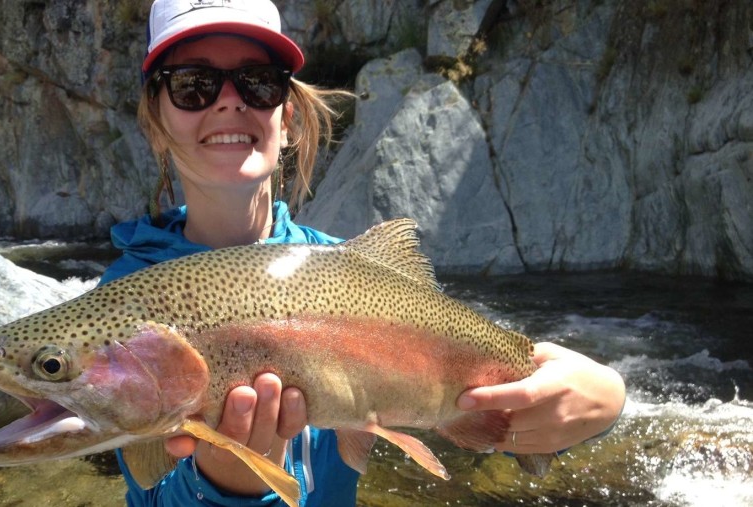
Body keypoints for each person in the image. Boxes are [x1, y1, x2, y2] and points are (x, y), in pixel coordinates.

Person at [99, 1, 627, 506]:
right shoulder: (123, 307)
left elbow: (523, 395)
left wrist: (607, 399)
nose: (229, 100)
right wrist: (230, 486)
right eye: (193, 85)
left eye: (259, 82)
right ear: (155, 123)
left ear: (288, 117)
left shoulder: (350, 269)